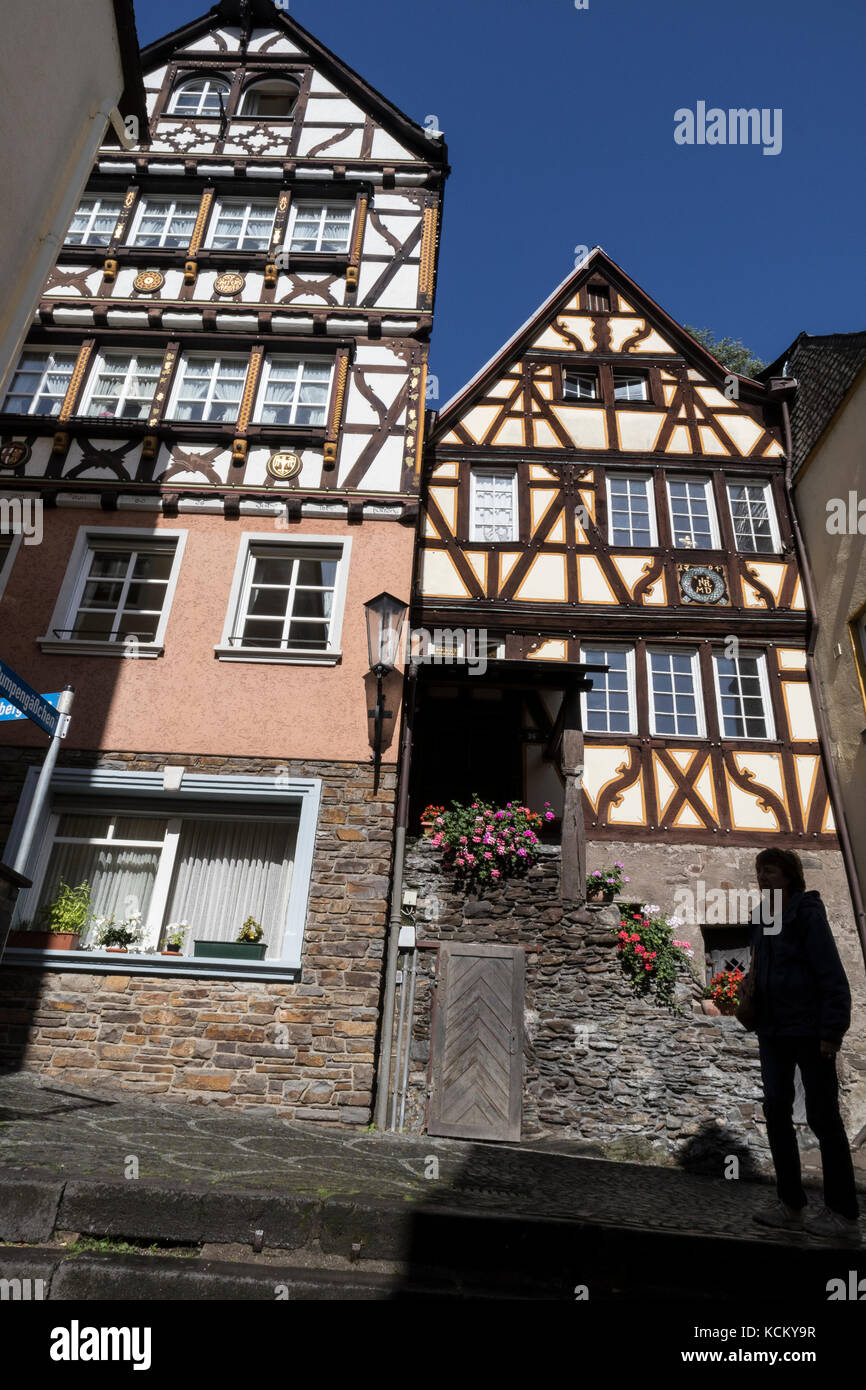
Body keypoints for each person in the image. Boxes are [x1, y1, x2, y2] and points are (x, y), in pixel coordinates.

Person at [749, 848, 861, 1246]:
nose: (764, 877)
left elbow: (830, 972)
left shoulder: (807, 913)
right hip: (774, 1032)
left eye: (772, 871)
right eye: (760, 871)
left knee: (823, 1117)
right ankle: (790, 1204)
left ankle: (843, 1212)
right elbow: (759, 969)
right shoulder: (764, 917)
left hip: (811, 1032)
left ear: (790, 875)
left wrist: (833, 1031)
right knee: (776, 1113)